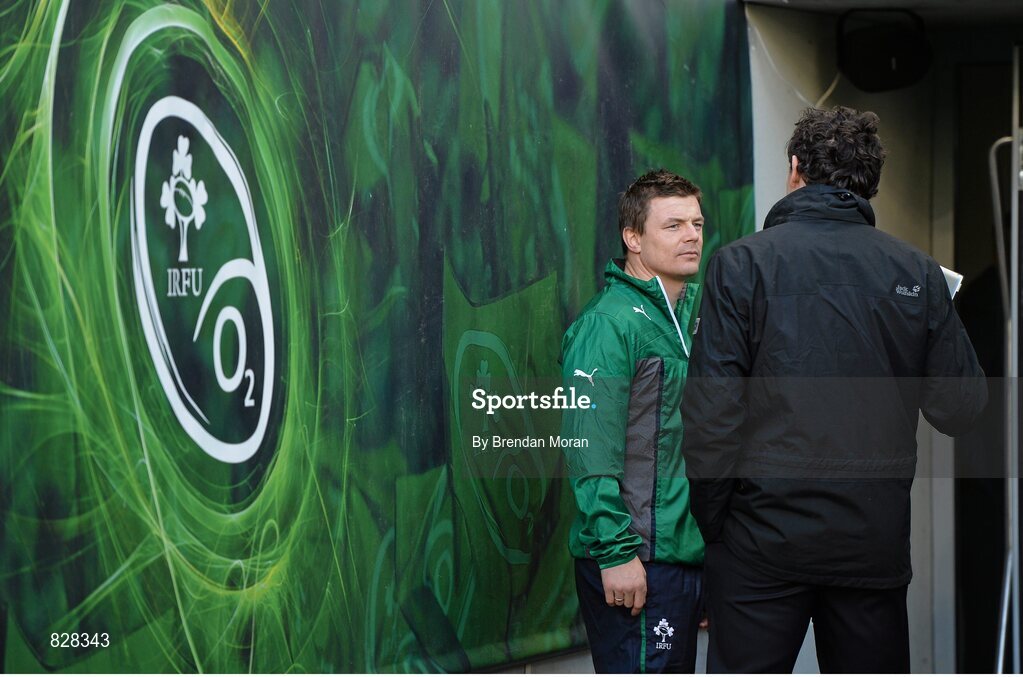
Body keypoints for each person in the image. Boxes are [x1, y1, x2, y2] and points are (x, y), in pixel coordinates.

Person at [681, 106, 987, 673]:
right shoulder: (916, 273)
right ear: (869, 182)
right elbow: (962, 407)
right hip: (870, 539)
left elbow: (710, 416)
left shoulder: (739, 266)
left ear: (795, 168)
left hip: (759, 539)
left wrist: (717, 524)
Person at [560, 169, 706, 673]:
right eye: (673, 225)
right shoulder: (609, 323)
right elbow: (588, 449)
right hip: (634, 560)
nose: (691, 235)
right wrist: (616, 552)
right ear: (633, 239)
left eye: (696, 223)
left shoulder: (690, 319)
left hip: (681, 558)